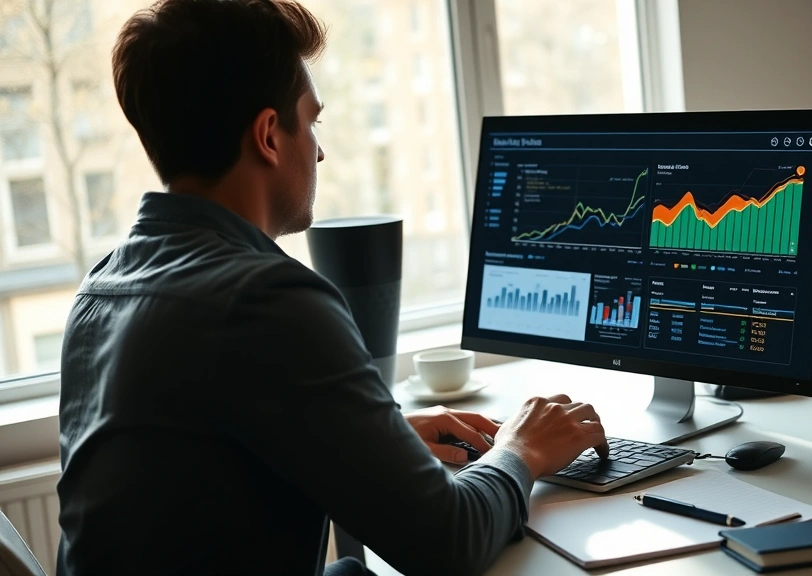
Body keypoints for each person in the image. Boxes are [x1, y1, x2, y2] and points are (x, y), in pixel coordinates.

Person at [54, 1, 609, 575]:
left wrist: (372, 444)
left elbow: (195, 478)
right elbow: (450, 543)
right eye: (313, 121)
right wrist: (522, 451)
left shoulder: (100, 292)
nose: (319, 149)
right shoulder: (269, 299)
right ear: (269, 135)